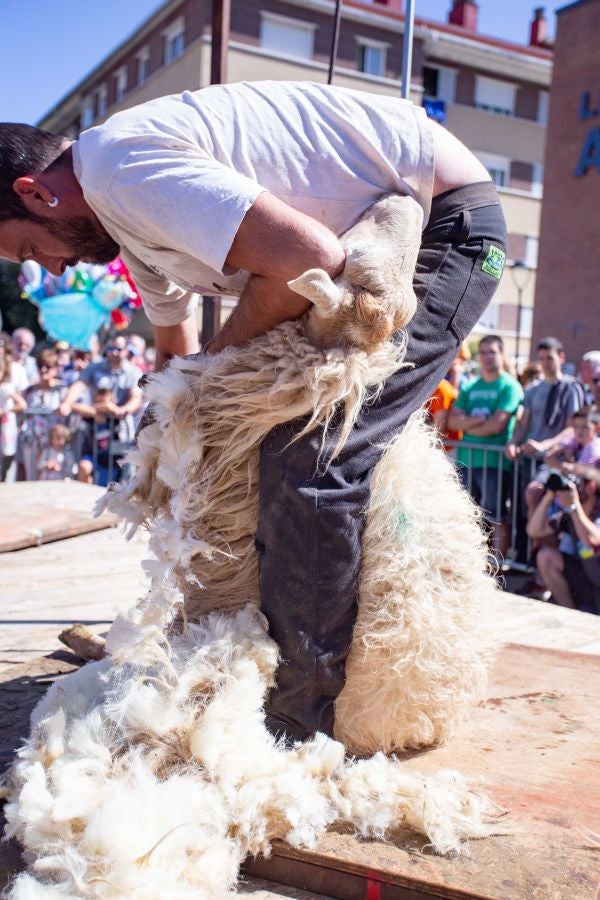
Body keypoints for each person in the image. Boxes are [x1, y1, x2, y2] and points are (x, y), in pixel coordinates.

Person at [0, 82, 507, 742]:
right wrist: (168, 431)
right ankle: (253, 660)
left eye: (32, 251)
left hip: (443, 224)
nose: (54, 268)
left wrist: (210, 379)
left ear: (36, 193)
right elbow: (173, 340)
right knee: (250, 451)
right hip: (369, 234)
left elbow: (307, 258)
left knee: (316, 459)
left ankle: (299, 720)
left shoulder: (121, 169)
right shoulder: (124, 217)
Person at [448, 335, 523, 557]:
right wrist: (481, 421)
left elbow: (497, 426)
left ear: (502, 355)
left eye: (492, 352)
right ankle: (469, 559)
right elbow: (453, 422)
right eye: (484, 352)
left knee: (496, 516)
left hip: (494, 464)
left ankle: (497, 565)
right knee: (466, 515)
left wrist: (469, 425)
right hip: (467, 460)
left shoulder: (509, 386)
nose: (487, 357)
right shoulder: (471, 386)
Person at [506, 336, 583, 523]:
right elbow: (524, 425)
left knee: (538, 500)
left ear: (561, 358)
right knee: (523, 509)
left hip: (555, 460)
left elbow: (572, 428)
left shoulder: (571, 387)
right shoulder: (532, 389)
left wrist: (544, 445)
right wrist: (513, 442)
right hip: (531, 459)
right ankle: (527, 549)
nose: (545, 363)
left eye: (550, 358)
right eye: (541, 358)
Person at [59, 335, 143, 484]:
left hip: (121, 433)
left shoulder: (133, 372)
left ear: (126, 351)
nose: (114, 353)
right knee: (84, 469)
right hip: (95, 431)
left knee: (118, 480)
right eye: (111, 349)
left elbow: (136, 398)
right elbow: (79, 385)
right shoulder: (95, 368)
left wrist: (122, 410)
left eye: (118, 349)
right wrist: (67, 403)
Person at [527, 473, 600, 614]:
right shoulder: (568, 515)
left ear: (590, 487)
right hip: (586, 580)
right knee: (546, 557)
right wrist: (549, 495)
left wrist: (574, 506)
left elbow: (591, 540)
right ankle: (569, 615)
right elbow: (534, 530)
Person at [21, 347, 67, 480]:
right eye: (40, 365)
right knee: (32, 479)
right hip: (33, 442)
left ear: (56, 368)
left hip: (55, 445)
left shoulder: (61, 390)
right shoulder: (29, 390)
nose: (43, 370)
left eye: (48, 366)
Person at [0, 331, 27, 481]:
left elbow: (22, 403)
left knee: (7, 463)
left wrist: (5, 410)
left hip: (7, 425)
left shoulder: (15, 372)